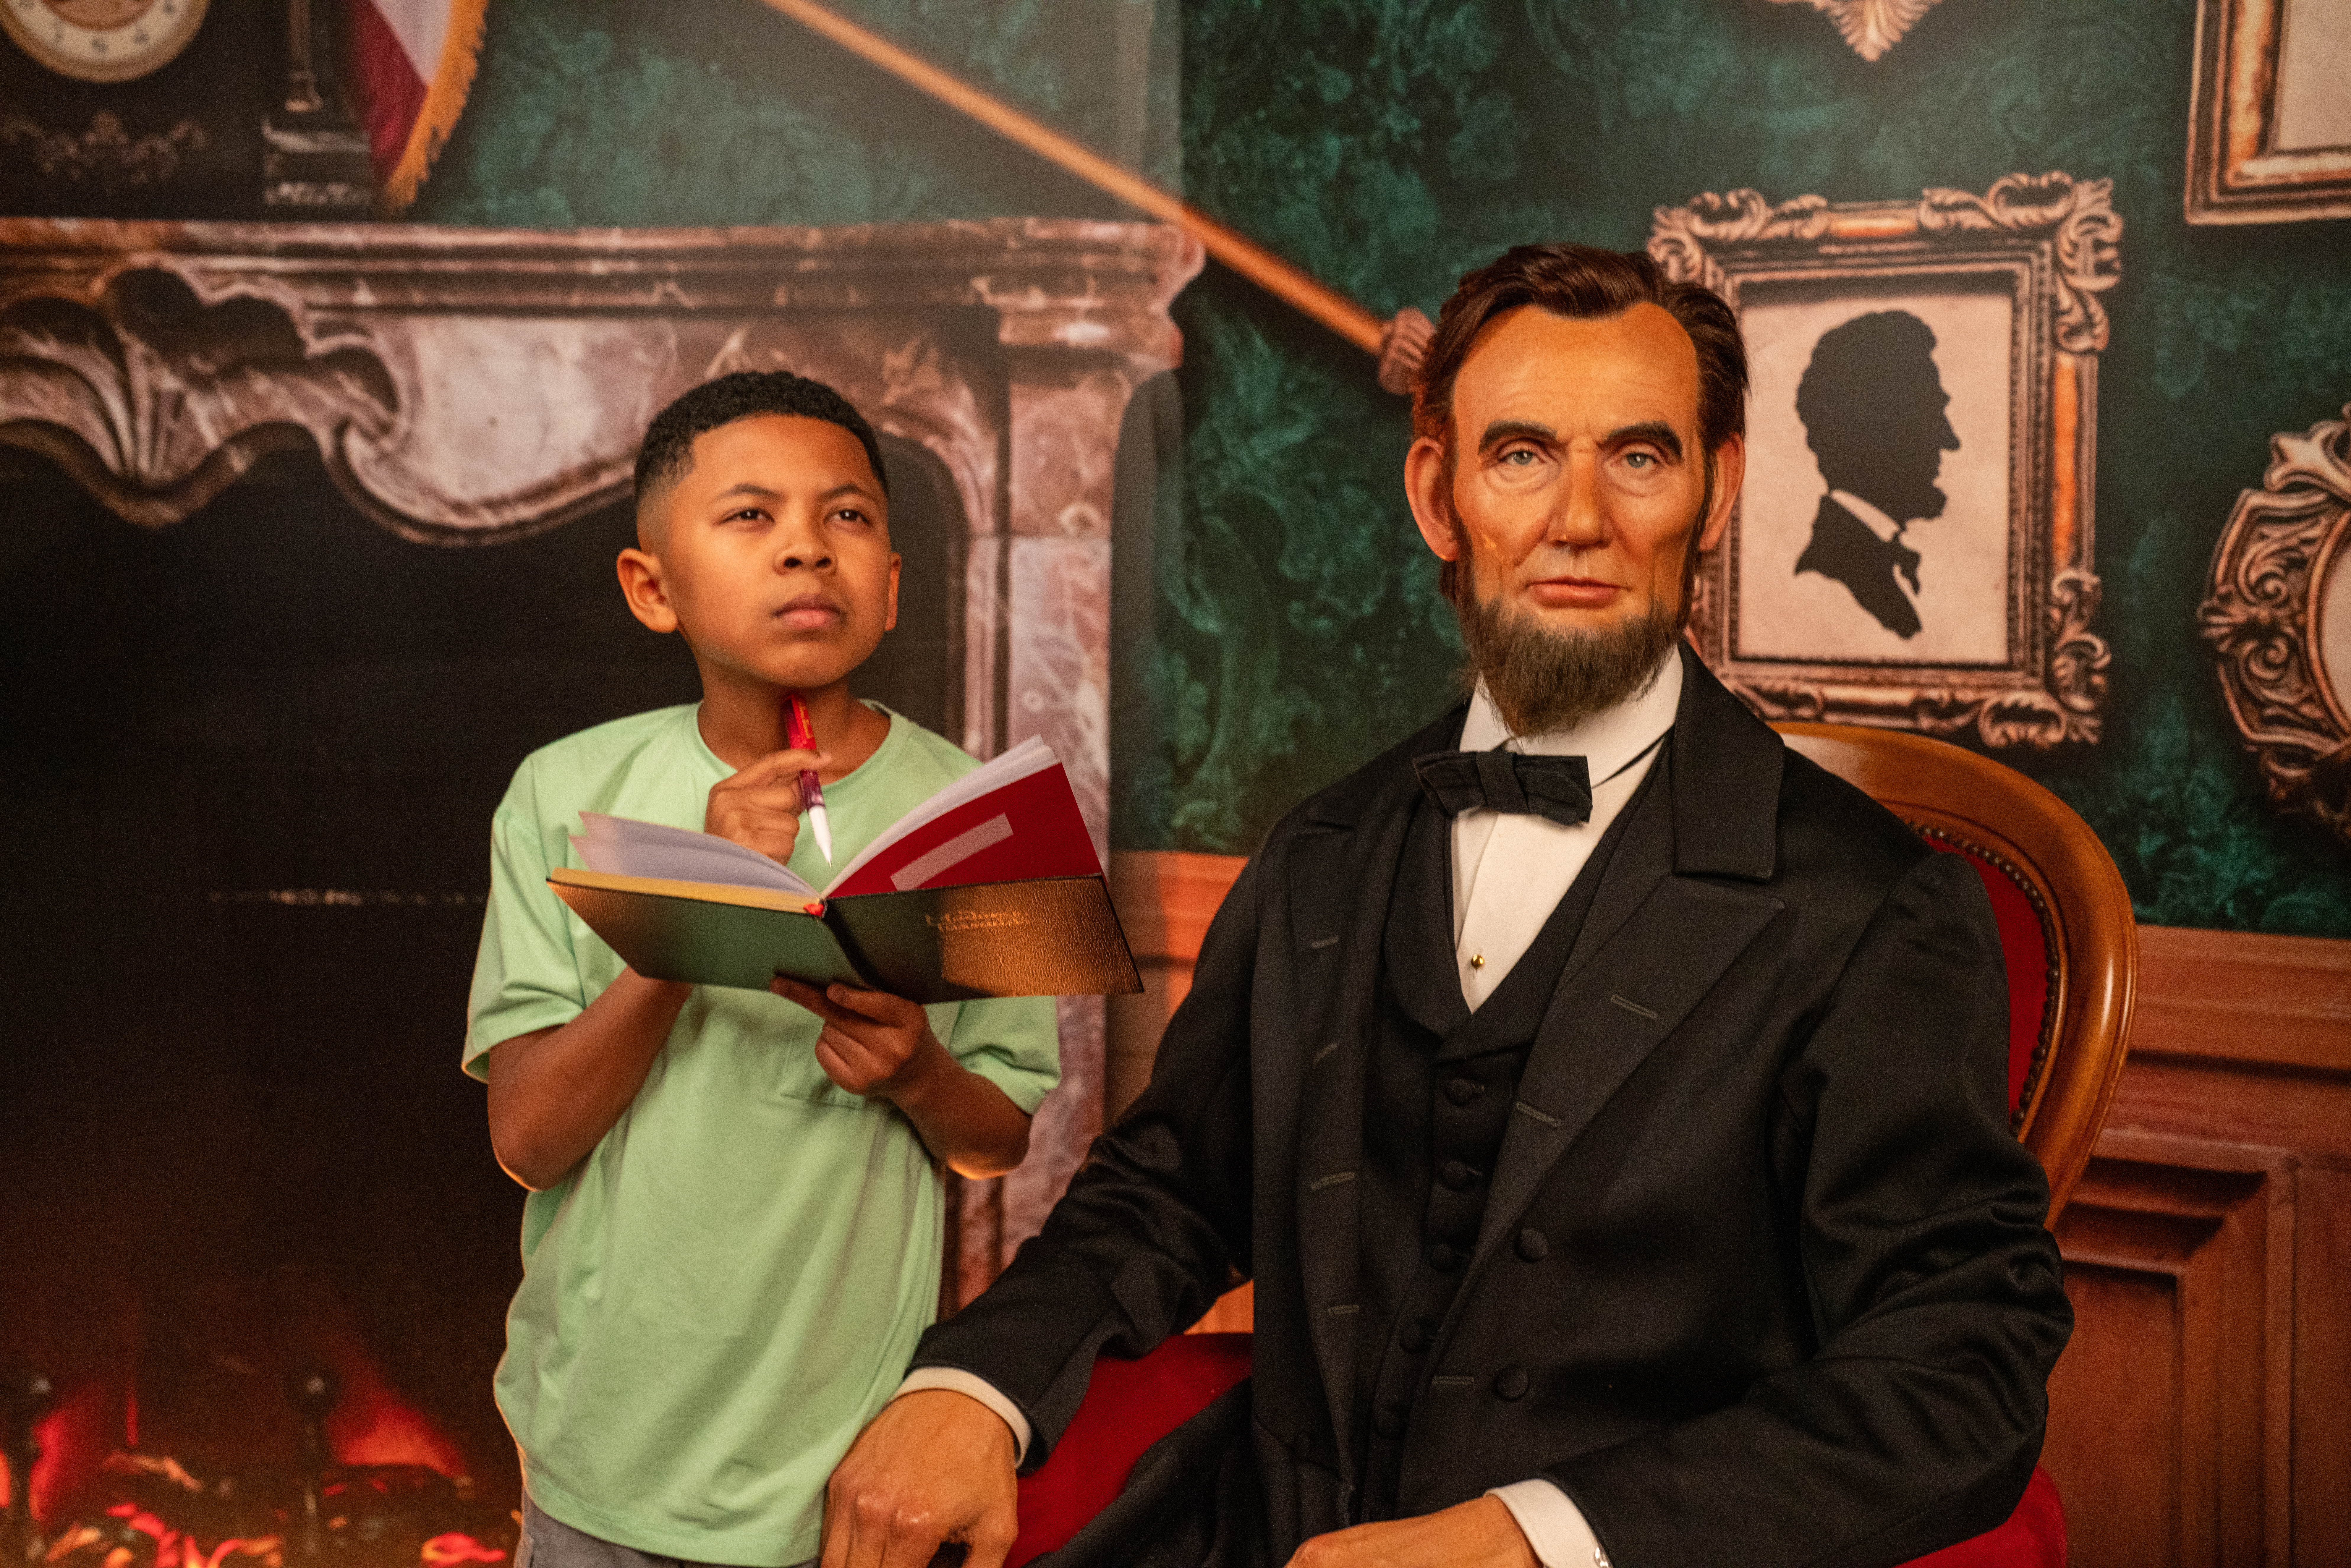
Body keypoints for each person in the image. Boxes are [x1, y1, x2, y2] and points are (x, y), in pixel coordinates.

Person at [822, 246, 2071, 1568]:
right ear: (1438, 493)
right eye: (1521, 455)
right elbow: (1169, 1189)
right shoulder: (1318, 852)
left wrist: (1538, 1541)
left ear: (1714, 492)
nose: (1578, 518)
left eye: (1637, 459)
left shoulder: (1870, 907)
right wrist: (971, 1387)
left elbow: (1962, 1368)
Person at [462, 371, 1060, 1568]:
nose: (805, 552)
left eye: (845, 518)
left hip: (846, 1478)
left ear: (891, 588)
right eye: (750, 518)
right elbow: (527, 1139)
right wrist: (688, 913)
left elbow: (996, 1138)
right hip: (605, 1455)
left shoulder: (983, 817)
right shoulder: (560, 792)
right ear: (652, 587)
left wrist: (914, 1070)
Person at [1791, 310, 1962, 639]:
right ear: (1875, 435)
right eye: (1930, 418)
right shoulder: (1825, 586)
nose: (1949, 442)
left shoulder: (1878, 565)